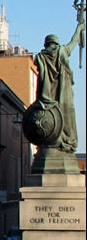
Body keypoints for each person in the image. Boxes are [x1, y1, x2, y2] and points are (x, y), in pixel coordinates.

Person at [31, 11, 85, 153]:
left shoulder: (41, 56)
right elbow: (73, 42)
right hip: (63, 96)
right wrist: (79, 29)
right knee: (67, 116)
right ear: (56, 43)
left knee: (51, 122)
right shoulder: (61, 51)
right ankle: (65, 140)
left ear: (46, 43)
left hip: (46, 98)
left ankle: (53, 141)